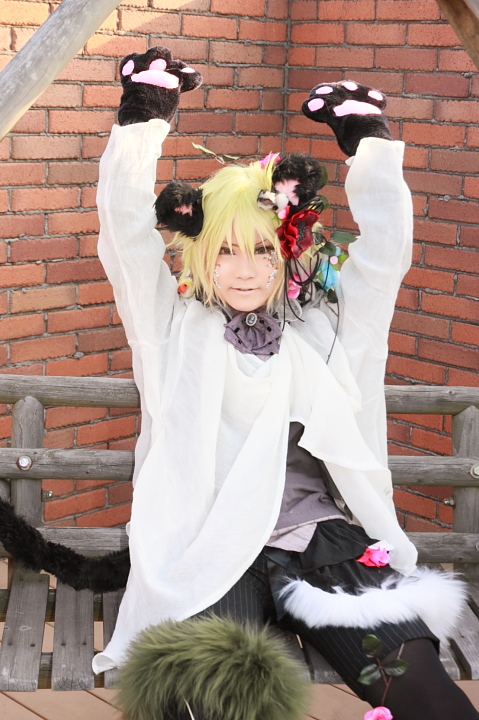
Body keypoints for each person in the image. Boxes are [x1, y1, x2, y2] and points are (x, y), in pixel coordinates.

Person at [0, 47, 477, 720]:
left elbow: (385, 257)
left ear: (286, 251)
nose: (245, 270)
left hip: (322, 543)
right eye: (225, 250)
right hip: (209, 550)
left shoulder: (329, 329)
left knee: (425, 694)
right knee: (214, 700)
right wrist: (144, 117)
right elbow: (124, 234)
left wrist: (368, 144)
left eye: (260, 249)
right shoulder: (171, 330)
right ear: (199, 252)